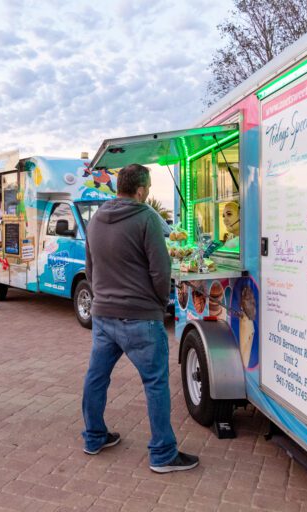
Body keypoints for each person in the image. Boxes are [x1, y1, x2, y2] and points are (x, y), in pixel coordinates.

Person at [82, 163, 199, 473]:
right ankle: (162, 454)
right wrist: (159, 304)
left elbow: (90, 270)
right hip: (141, 317)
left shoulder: (95, 221)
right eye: (148, 188)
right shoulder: (146, 217)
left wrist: (101, 300)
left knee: (96, 378)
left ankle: (94, 436)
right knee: (156, 383)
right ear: (142, 189)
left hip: (103, 316)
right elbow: (161, 271)